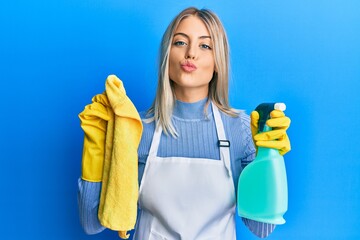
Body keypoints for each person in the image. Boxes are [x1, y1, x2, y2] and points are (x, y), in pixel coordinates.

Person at [78, 7, 291, 239]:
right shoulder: (137, 128)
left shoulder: (239, 129)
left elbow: (262, 228)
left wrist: (268, 160)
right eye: (180, 43)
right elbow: (92, 223)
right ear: (167, 55)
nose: (191, 53)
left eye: (205, 45)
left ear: (217, 61)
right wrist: (96, 147)